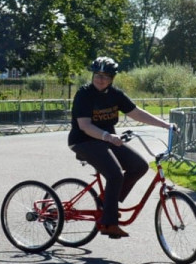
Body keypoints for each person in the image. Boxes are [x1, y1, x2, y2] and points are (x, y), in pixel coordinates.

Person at [67, 56, 177, 239]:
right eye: (97, 75)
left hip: (107, 140)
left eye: (105, 76)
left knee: (140, 166)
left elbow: (137, 113)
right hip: (83, 141)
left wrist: (166, 125)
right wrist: (107, 136)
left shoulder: (115, 95)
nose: (100, 79)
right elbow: (85, 126)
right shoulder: (84, 94)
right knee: (115, 174)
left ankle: (107, 204)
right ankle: (108, 223)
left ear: (112, 78)